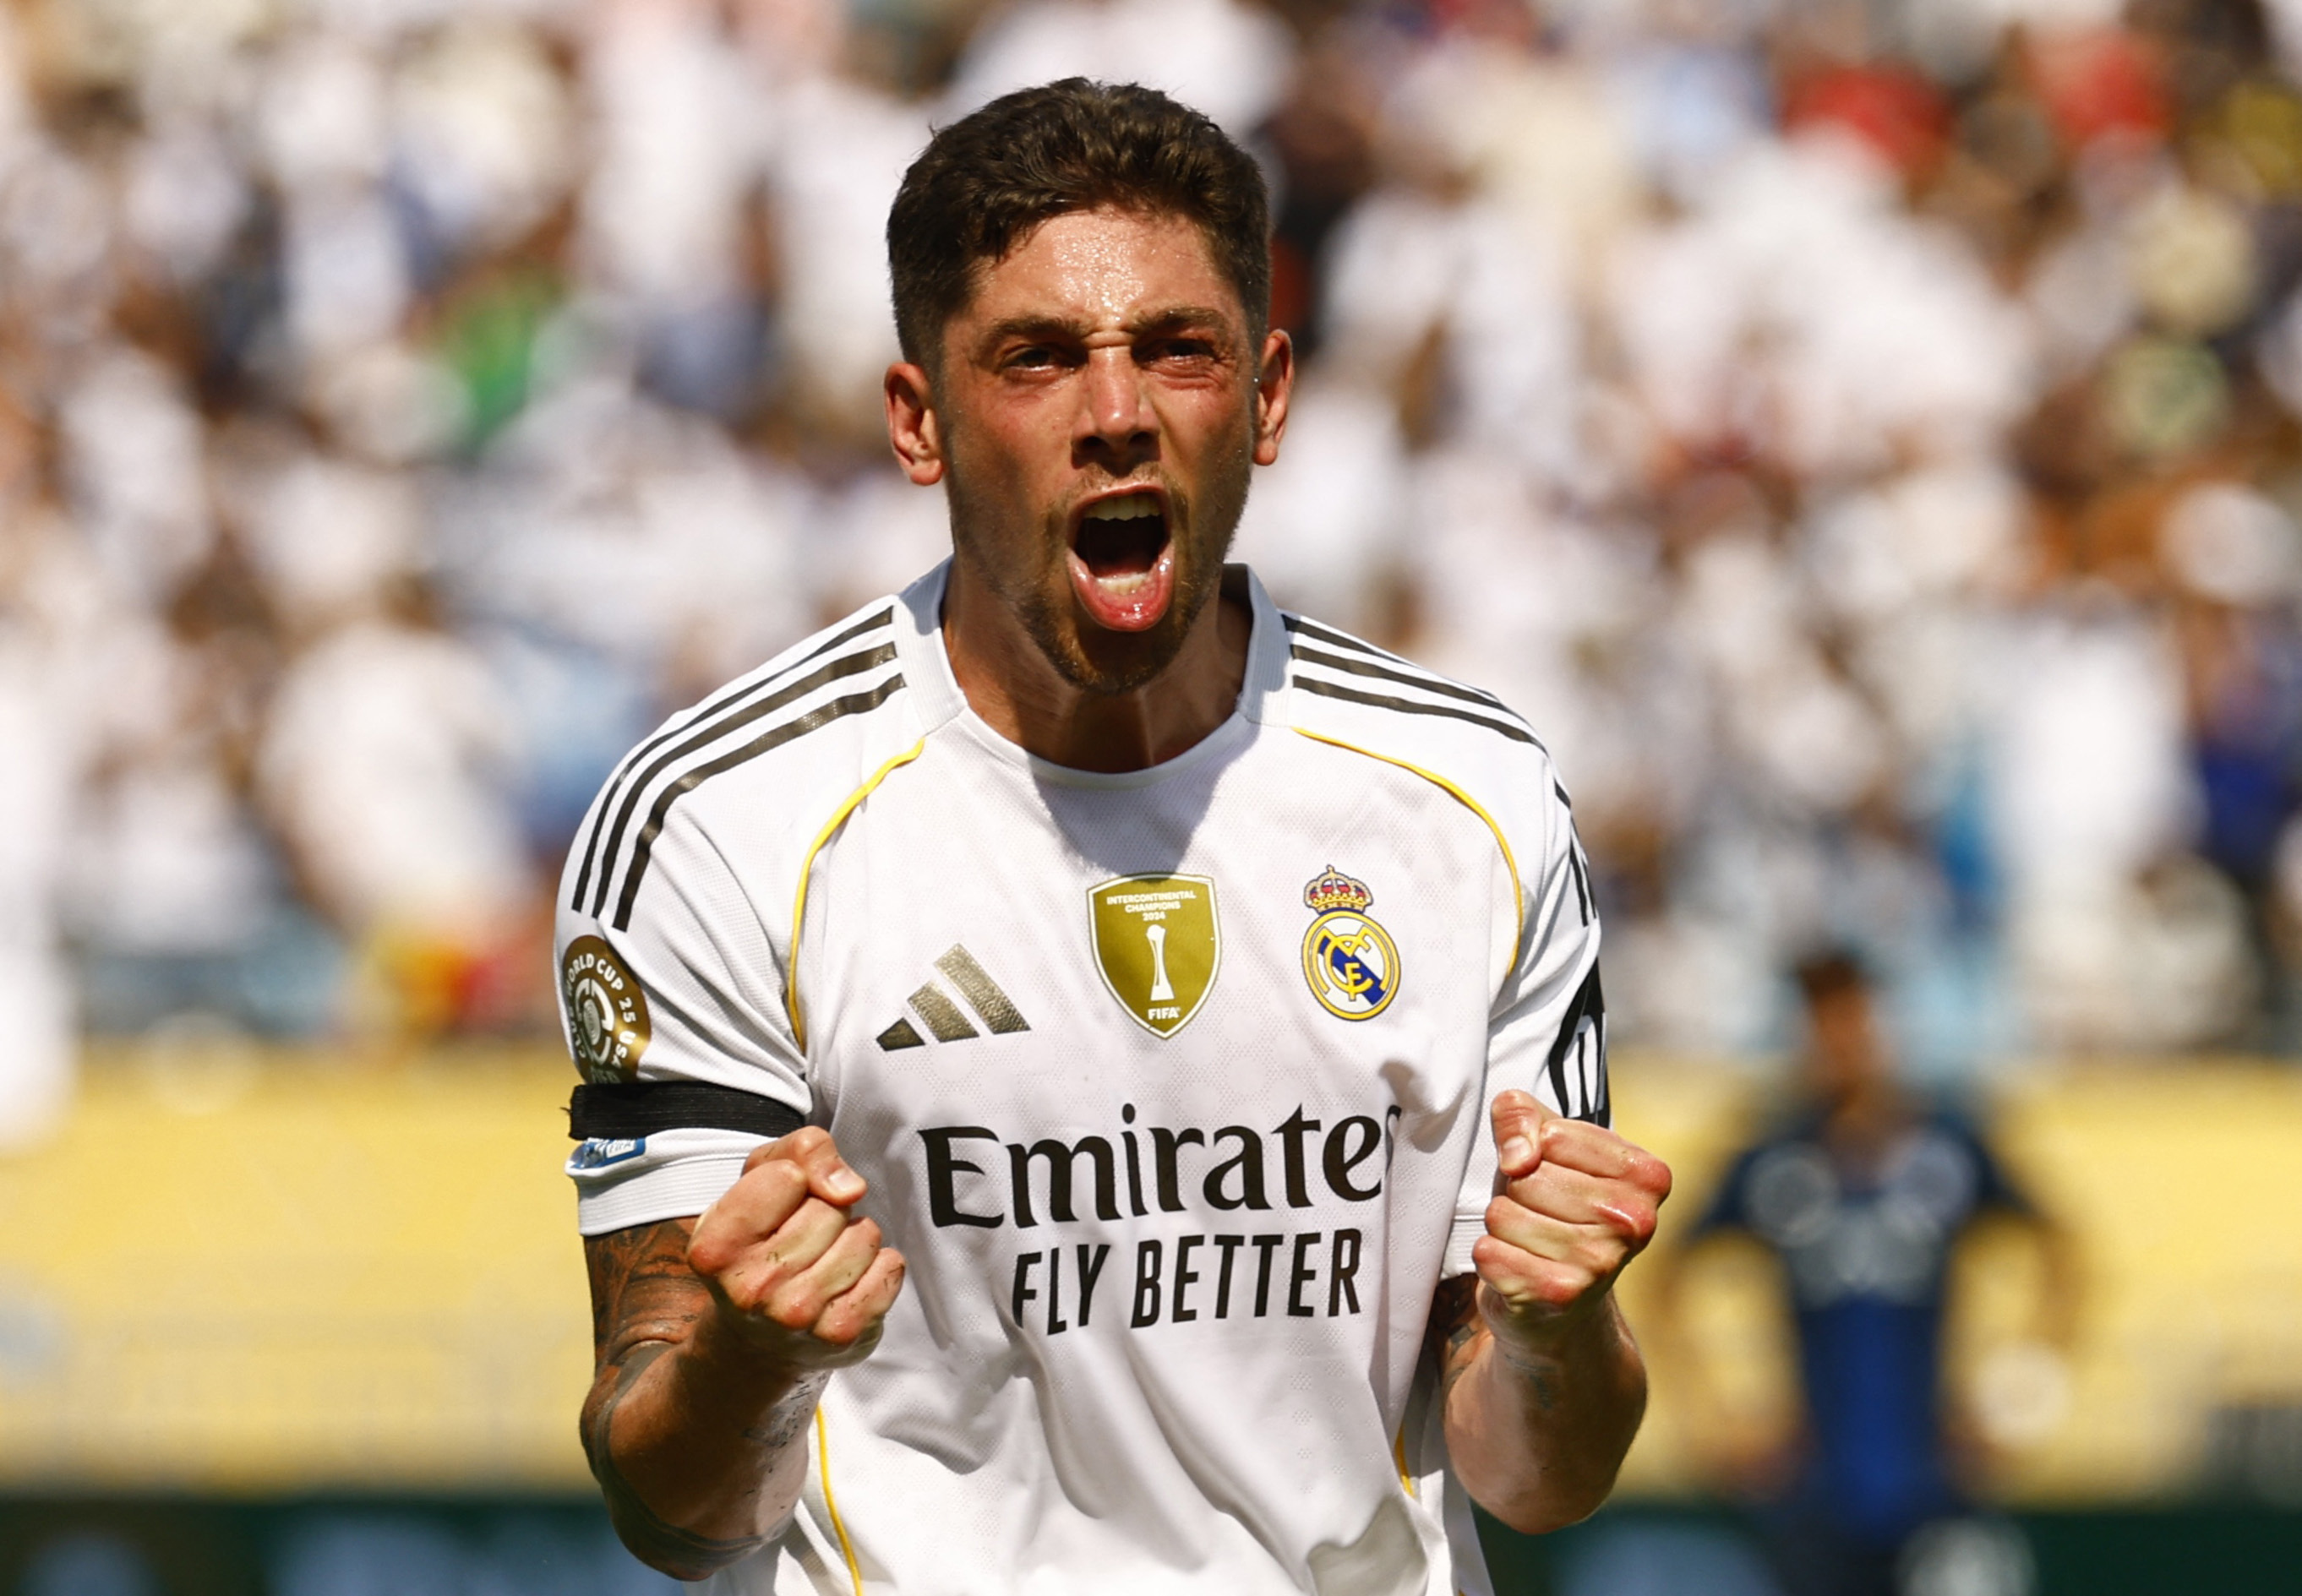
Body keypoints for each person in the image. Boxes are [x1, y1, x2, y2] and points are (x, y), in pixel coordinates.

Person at [555, 79, 1672, 1595]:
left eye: (1174, 348)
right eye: (1033, 359)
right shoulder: (718, 823)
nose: (1115, 412)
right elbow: (671, 1505)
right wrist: (746, 1358)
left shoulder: (1462, 794)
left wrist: (1549, 1327)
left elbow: (1539, 1475)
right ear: (917, 420)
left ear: (1265, 397)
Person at [1658, 951, 2078, 1596]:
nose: (1836, 1041)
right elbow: (1671, 1273)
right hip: (1813, 1488)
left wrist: (2014, 1402)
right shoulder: (1775, 1157)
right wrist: (1716, 1417)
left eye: (1849, 1019)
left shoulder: (1946, 1144)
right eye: (1820, 1022)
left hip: (1935, 1478)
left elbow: (2060, 1251)